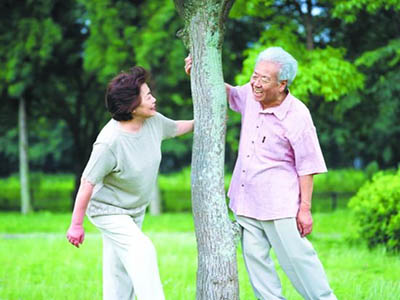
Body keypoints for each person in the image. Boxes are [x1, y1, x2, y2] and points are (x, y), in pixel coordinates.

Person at [185, 47, 337, 300]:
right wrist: (198, 73)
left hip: (279, 206)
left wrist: (305, 208)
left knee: (299, 262)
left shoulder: (297, 114)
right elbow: (231, 94)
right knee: (258, 270)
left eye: (263, 79)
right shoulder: (250, 95)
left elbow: (308, 166)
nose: (255, 83)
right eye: (254, 76)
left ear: (282, 84)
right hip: (246, 202)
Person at [66, 66, 194, 300]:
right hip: (108, 210)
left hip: (134, 210)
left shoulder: (153, 121)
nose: (154, 99)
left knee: (119, 275)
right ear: (132, 106)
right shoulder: (110, 142)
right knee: (142, 251)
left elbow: (176, 128)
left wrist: (203, 121)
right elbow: (87, 183)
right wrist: (76, 225)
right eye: (147, 96)